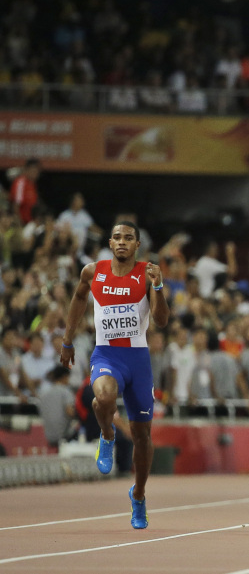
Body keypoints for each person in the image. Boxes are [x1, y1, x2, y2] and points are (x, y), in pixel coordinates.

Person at [60, 220, 170, 529]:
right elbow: (80, 298)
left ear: (137, 245)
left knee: (142, 437)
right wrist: (67, 339)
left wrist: (159, 287)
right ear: (110, 243)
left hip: (138, 360)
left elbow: (161, 321)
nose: (122, 242)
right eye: (117, 237)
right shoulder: (93, 271)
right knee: (104, 395)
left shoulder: (148, 273)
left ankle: (139, 494)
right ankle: (107, 434)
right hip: (107, 353)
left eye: (129, 238)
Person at [38, 365, 77, 447]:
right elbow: (69, 411)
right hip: (64, 436)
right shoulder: (66, 392)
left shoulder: (44, 394)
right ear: (64, 377)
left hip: (49, 436)